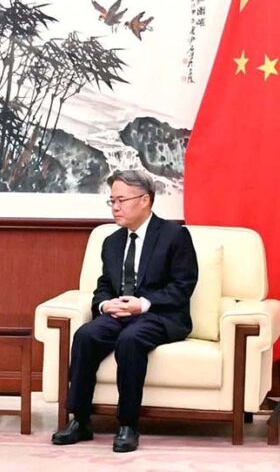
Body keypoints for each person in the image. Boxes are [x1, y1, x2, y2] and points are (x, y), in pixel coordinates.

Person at [51, 169, 198, 453]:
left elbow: (183, 286)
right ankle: (80, 419)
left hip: (160, 315)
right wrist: (105, 304)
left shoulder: (174, 235)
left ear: (145, 200)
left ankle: (128, 424)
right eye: (112, 201)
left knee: (130, 340)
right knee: (85, 335)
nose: (115, 207)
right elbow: (104, 286)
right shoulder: (112, 241)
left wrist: (143, 304)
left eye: (121, 200)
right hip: (119, 313)